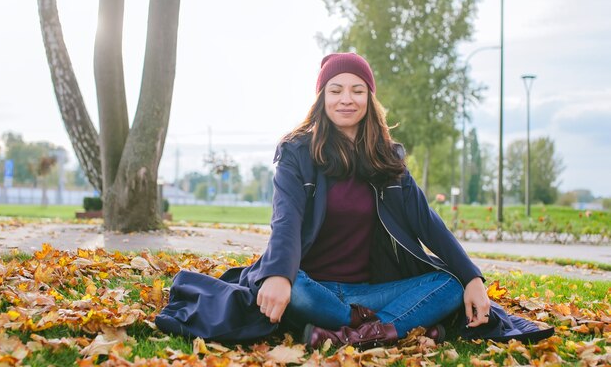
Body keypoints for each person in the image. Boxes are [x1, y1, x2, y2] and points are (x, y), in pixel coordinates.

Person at [156, 53, 553, 347]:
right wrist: (277, 275)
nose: (347, 99)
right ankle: (390, 328)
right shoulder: (297, 153)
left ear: (369, 99)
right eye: (336, 90)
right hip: (313, 286)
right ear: (322, 98)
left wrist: (472, 278)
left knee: (448, 285)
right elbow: (286, 221)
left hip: (370, 291)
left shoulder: (388, 158)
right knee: (291, 287)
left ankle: (355, 334)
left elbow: (426, 222)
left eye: (357, 90)